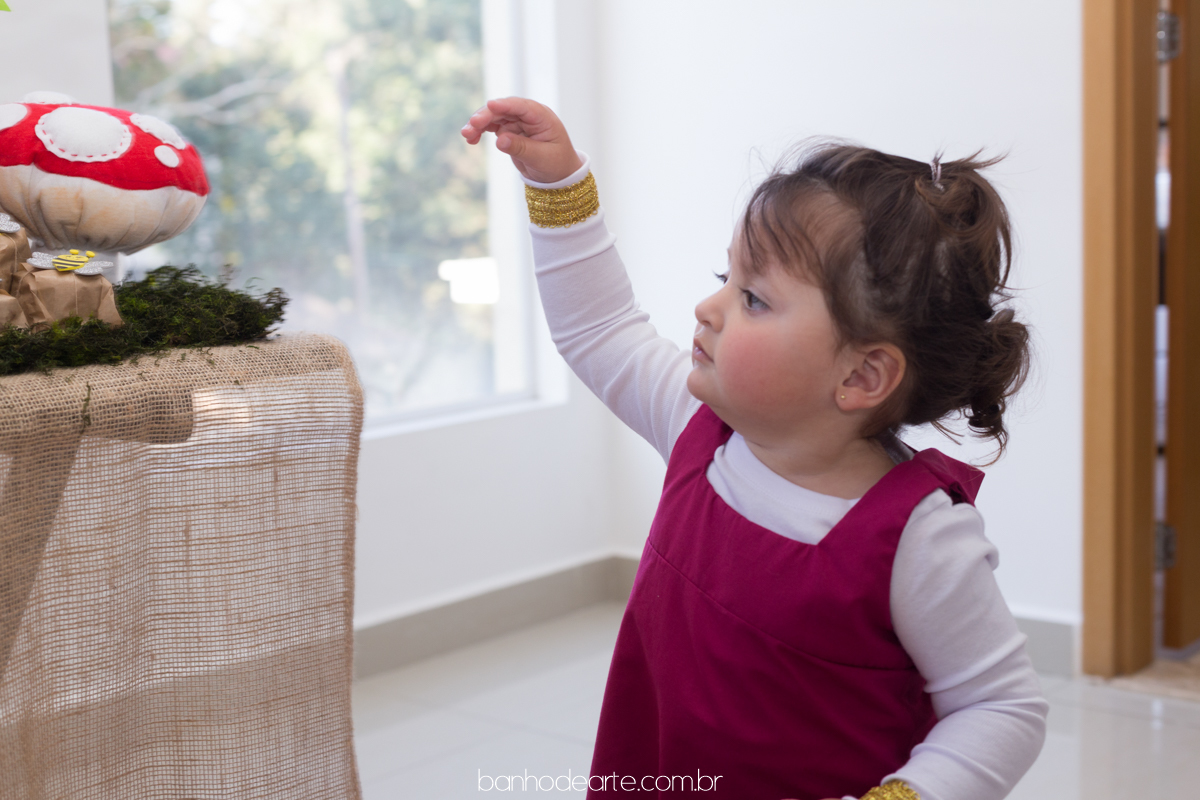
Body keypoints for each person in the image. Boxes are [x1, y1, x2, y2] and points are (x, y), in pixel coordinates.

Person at [461, 97, 1048, 800]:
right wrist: (557, 186)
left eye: (755, 299)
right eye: (725, 280)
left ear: (861, 375)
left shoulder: (920, 538)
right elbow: (599, 328)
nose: (710, 309)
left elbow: (1002, 707)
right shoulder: (695, 425)